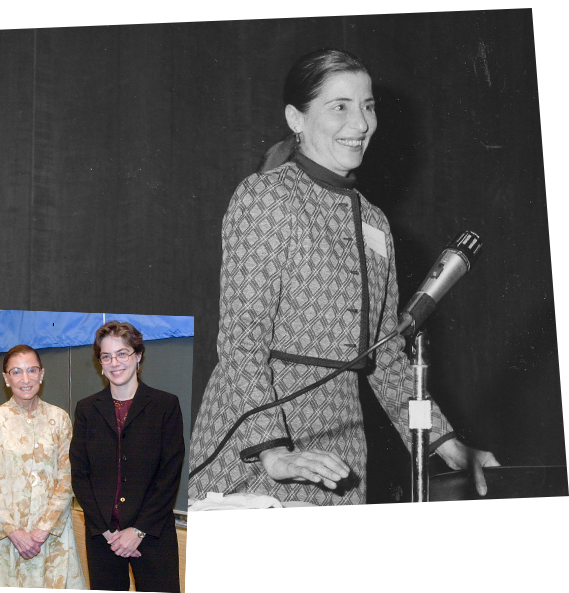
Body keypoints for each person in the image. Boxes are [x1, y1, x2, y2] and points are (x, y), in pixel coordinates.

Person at [188, 48, 499, 515]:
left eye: (367, 105)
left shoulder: (374, 221)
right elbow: (241, 341)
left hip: (341, 453)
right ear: (296, 117)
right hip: (257, 447)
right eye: (340, 106)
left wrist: (447, 445)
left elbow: (387, 358)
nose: (361, 123)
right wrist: (272, 450)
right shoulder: (265, 196)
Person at [70, 321, 184, 592]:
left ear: (138, 355)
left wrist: (138, 531)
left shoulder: (165, 406)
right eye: (106, 356)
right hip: (103, 537)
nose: (115, 362)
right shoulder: (86, 409)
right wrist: (108, 532)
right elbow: (80, 474)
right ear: (100, 362)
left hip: (153, 534)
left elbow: (169, 475)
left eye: (123, 353)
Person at [0, 344, 87, 591]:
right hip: (7, 538)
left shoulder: (59, 419)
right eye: (16, 372)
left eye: (32, 370)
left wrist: (42, 530)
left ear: (42, 374)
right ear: (6, 378)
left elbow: (67, 477)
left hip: (51, 536)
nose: (25, 379)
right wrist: (15, 533)